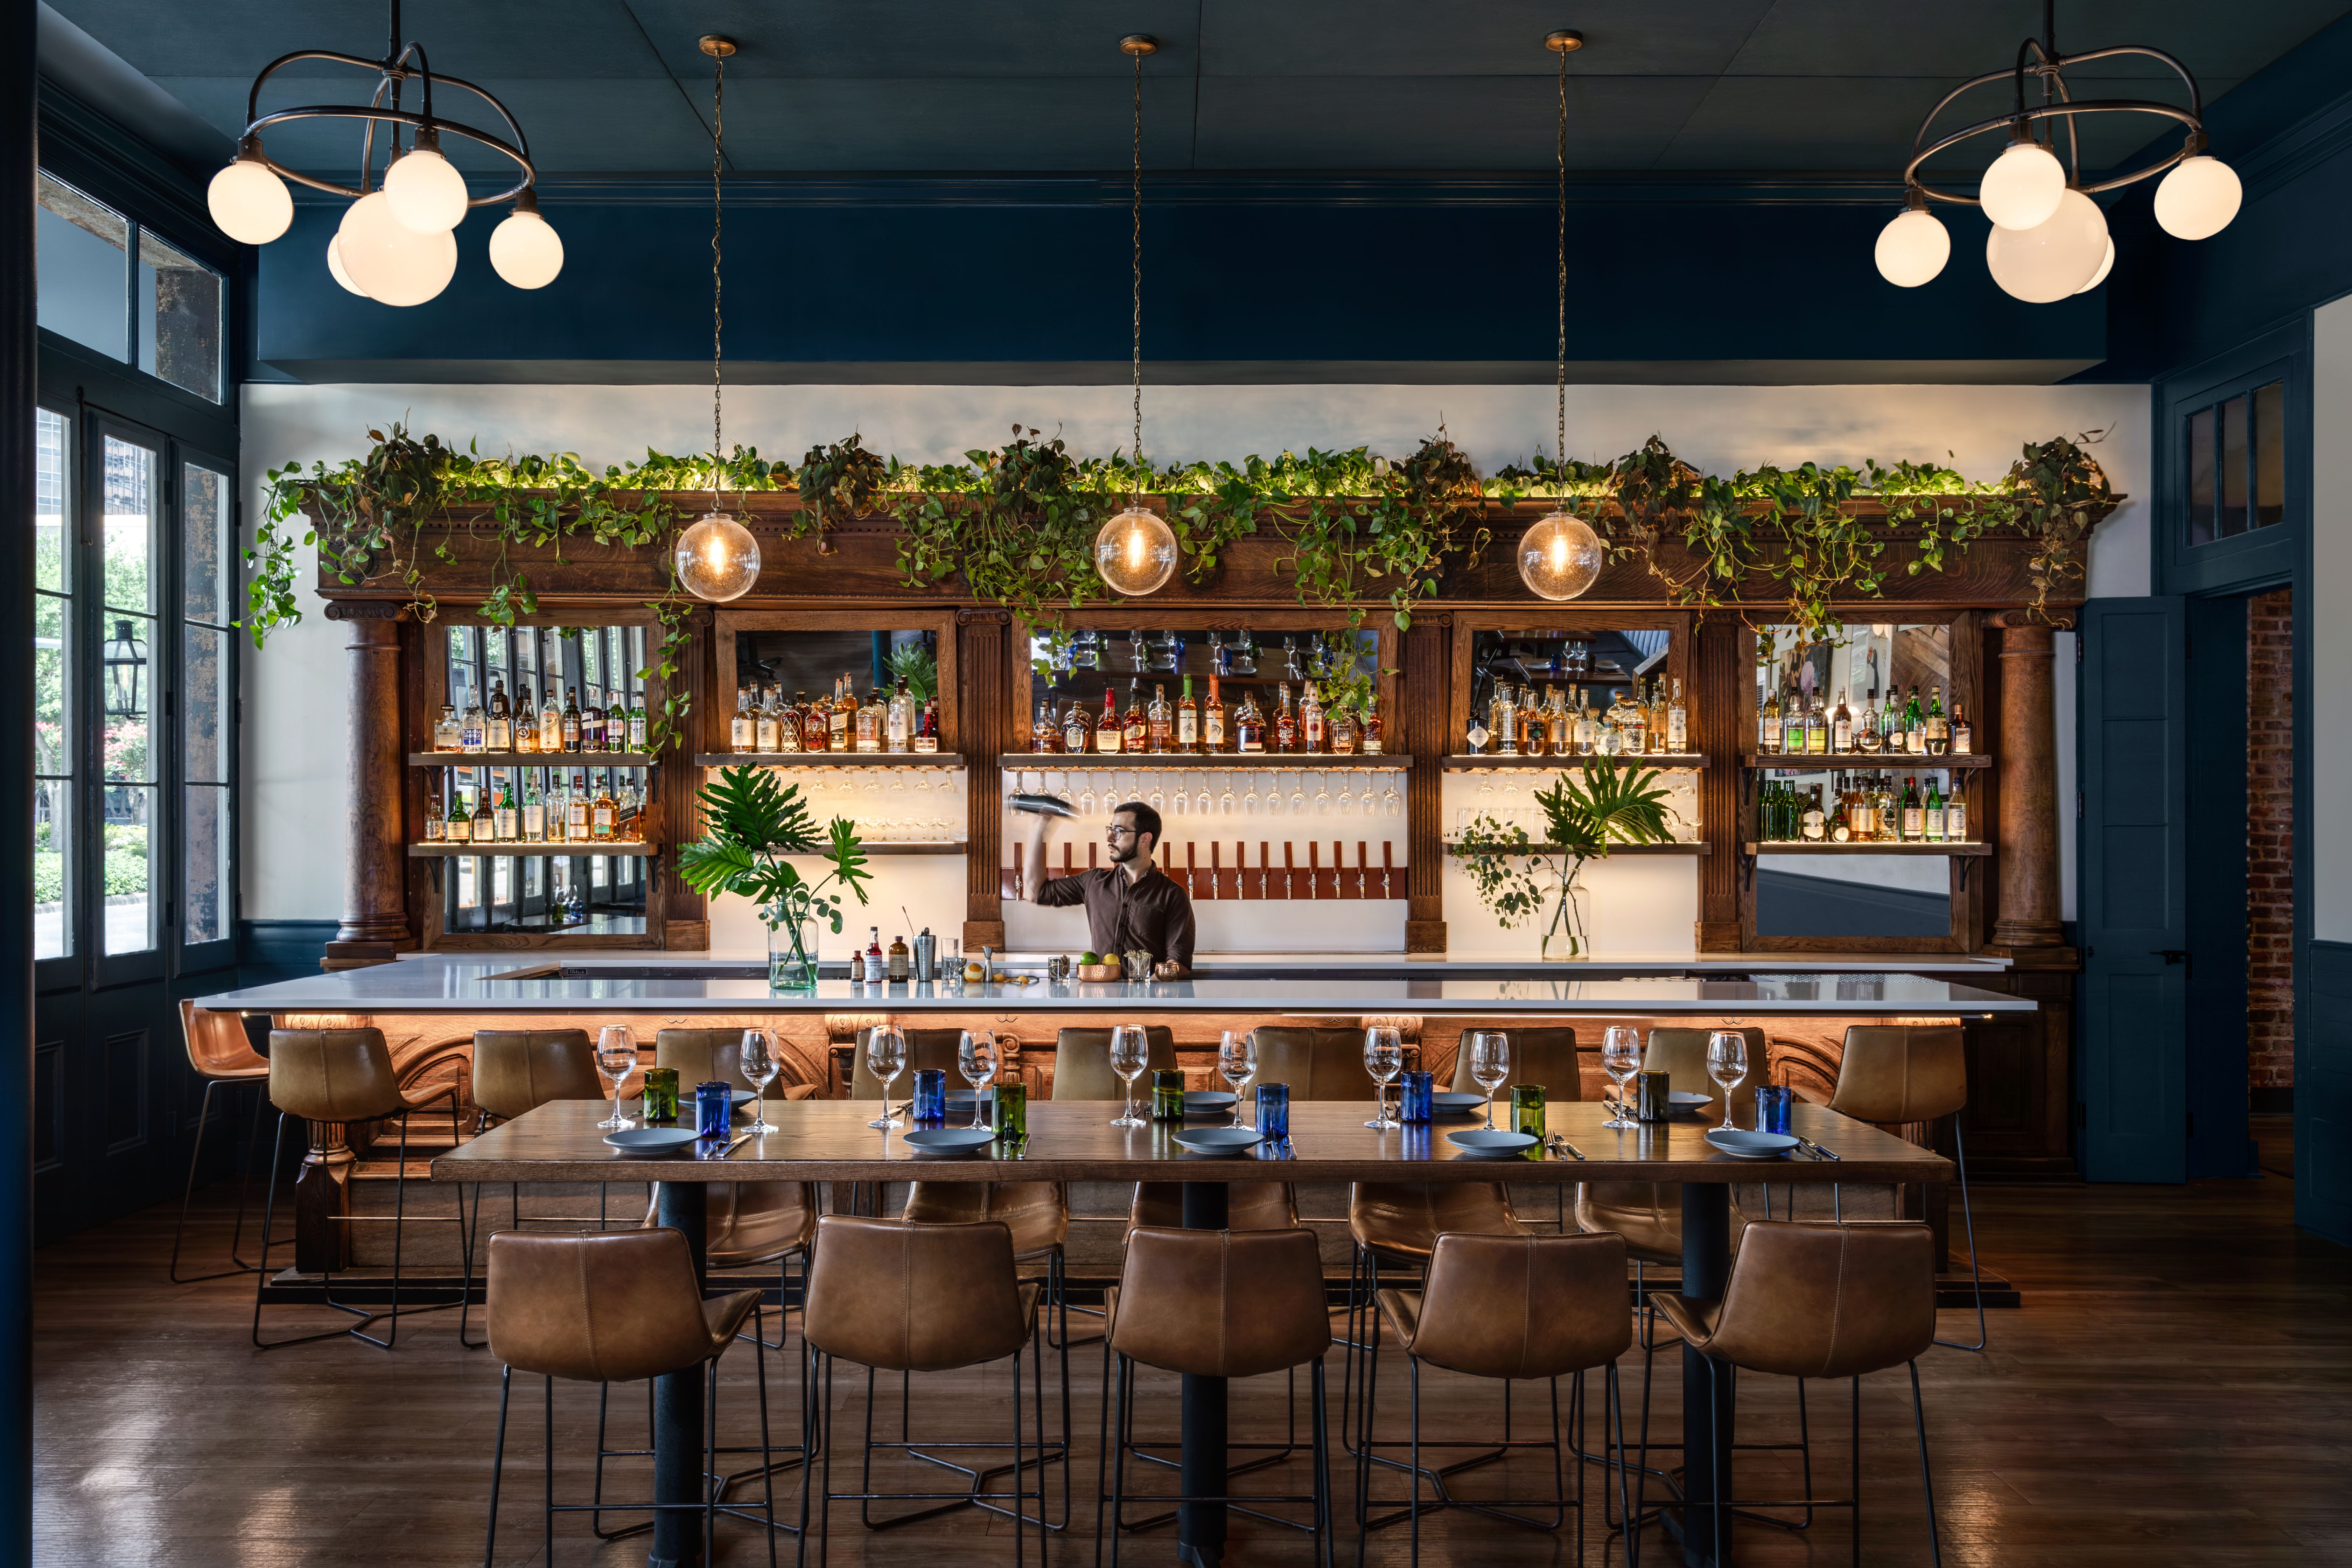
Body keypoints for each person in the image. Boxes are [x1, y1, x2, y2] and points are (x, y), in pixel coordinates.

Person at [1020, 799, 1193, 978]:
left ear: (1145, 840)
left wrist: (1146, 990)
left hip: (1147, 1001)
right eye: (1110, 830)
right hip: (1099, 1000)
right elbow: (1034, 892)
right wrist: (1038, 830)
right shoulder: (1094, 882)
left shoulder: (1173, 895)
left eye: (1119, 831)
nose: (1110, 838)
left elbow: (1179, 963)